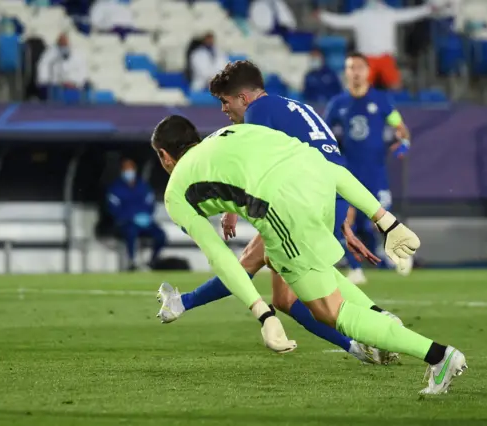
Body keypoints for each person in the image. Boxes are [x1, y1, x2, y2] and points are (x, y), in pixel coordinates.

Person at [152, 115, 467, 395]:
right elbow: (329, 169)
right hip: (318, 185)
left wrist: (263, 314)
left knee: (327, 310)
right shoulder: (231, 134)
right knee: (294, 263)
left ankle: (438, 355)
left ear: (165, 156)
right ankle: (380, 317)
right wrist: (386, 220)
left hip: (282, 209)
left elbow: (220, 256)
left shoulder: (175, 192)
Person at [157, 60, 395, 365]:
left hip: (307, 198)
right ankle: (362, 345)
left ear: (243, 98)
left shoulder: (258, 113)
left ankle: (381, 328)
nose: (223, 111)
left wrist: (231, 211)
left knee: (250, 262)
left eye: (225, 101)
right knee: (284, 299)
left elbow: (252, 167)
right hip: (327, 192)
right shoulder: (291, 106)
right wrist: (339, 210)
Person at [325, 52, 412, 285]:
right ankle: (355, 269)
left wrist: (403, 144)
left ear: (367, 71)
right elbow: (322, 134)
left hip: (376, 172)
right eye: (350, 67)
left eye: (359, 67)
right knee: (347, 219)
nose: (355, 72)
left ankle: (401, 254)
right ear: (346, 72)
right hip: (348, 172)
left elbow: (401, 129)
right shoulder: (337, 104)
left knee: (382, 220)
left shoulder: (381, 101)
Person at [317, 0, 435, 90]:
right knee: (362, 89)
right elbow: (339, 21)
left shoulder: (384, 14)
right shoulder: (362, 16)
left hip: (384, 58)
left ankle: (397, 107)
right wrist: (427, 9)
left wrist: (427, 9)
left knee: (395, 85)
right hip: (367, 59)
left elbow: (409, 15)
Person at [107, 158, 167, 271]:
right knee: (131, 232)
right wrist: (130, 217)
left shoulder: (143, 186)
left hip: (145, 221)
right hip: (125, 223)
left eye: (131, 169)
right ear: (121, 171)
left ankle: (152, 261)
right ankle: (132, 262)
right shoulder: (115, 189)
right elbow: (114, 209)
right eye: (126, 169)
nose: (129, 172)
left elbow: (150, 204)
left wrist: (146, 216)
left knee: (161, 235)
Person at [36, 32, 88, 101]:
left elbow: (82, 71)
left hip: (73, 85)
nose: (63, 45)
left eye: (65, 42)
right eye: (61, 43)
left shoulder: (77, 55)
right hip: (55, 86)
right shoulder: (49, 54)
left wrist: (75, 83)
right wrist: (49, 82)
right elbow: (43, 69)